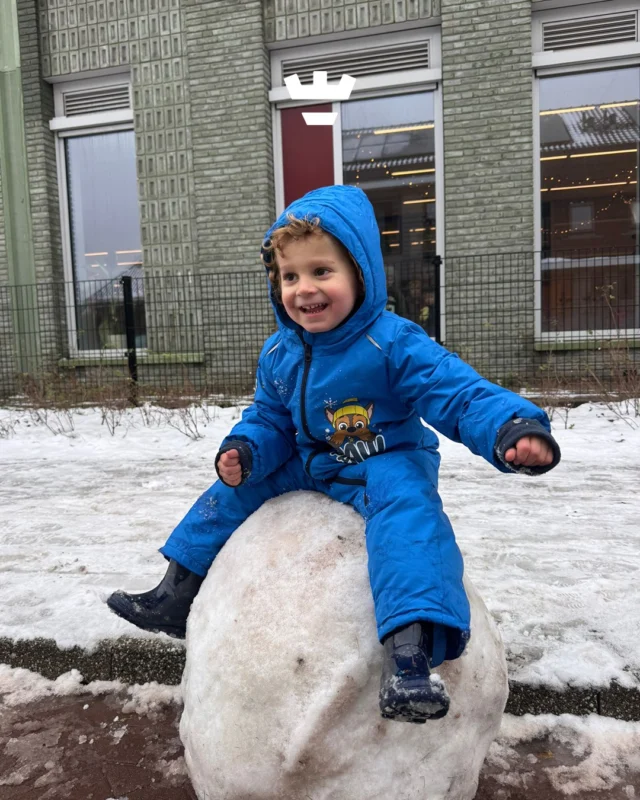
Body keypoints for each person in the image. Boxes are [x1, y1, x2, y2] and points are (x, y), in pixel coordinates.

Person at [107, 185, 560, 724]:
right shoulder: (279, 352)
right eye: (291, 276)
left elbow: (456, 391)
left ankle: (410, 655)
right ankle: (176, 593)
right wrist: (246, 450)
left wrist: (511, 428)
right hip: (311, 460)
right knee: (231, 490)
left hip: (382, 459)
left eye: (322, 272)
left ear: (361, 275)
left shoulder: (392, 342)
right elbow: (269, 418)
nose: (305, 290)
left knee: (408, 514)